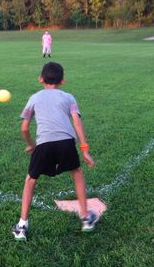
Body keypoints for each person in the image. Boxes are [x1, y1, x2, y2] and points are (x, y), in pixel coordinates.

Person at [11, 62, 98, 241]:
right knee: (77, 173)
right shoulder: (69, 97)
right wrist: (85, 149)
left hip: (44, 145)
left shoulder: (34, 97)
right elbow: (77, 123)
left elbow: (24, 128)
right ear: (63, 80)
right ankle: (86, 218)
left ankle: (21, 226)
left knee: (30, 181)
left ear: (40, 79)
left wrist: (30, 144)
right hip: (67, 142)